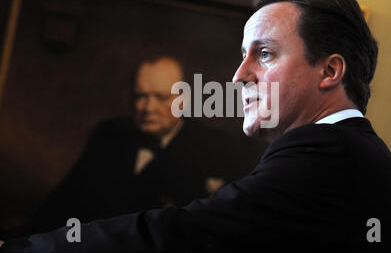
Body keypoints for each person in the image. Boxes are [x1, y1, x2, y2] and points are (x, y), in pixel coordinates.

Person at [0, 0, 391, 252]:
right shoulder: (351, 153)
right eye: (243, 56)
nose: (239, 75)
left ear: (329, 72)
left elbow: (181, 237)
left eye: (265, 53)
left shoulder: (329, 151)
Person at [28, 56, 259, 235]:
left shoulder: (218, 148)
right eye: (140, 96)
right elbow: (63, 202)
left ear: (183, 99)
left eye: (160, 97)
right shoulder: (110, 135)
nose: (148, 108)